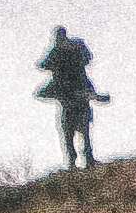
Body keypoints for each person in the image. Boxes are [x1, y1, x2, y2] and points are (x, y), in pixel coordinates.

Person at [35, 26, 108, 168]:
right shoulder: (66, 48)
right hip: (71, 92)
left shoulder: (66, 48)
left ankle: (81, 161)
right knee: (76, 131)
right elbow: (44, 65)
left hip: (71, 91)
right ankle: (79, 161)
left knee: (75, 131)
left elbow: (44, 65)